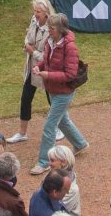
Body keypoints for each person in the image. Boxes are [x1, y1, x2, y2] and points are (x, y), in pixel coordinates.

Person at [33, 14, 89, 169]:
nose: (48, 30)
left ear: (60, 29)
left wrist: (48, 75)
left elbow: (70, 74)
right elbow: (47, 59)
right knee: (63, 120)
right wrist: (40, 66)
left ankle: (44, 162)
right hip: (53, 89)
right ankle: (80, 144)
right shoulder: (50, 41)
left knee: (50, 126)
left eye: (51, 28)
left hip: (64, 93)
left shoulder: (70, 47)